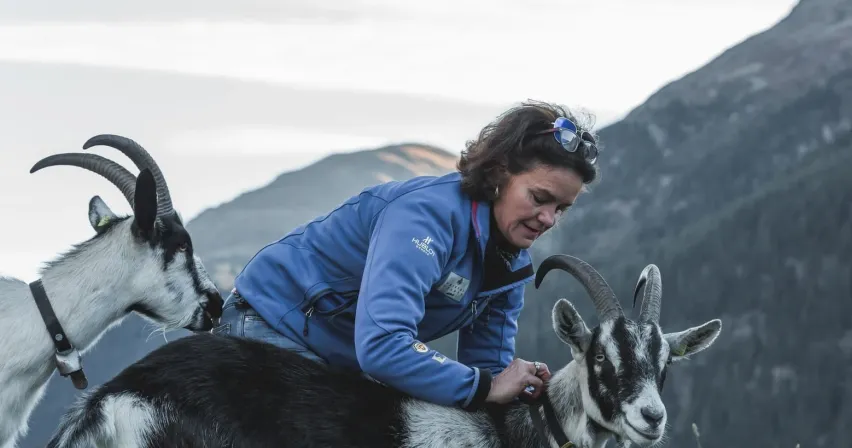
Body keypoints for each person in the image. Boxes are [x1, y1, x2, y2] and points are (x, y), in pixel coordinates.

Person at [211, 100, 600, 411]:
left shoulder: (510, 265)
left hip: (341, 359)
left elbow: (488, 376)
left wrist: (518, 387)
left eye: (561, 208)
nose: (548, 218)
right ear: (499, 174)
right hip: (268, 326)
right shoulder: (425, 218)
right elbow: (384, 345)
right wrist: (487, 386)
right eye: (539, 198)